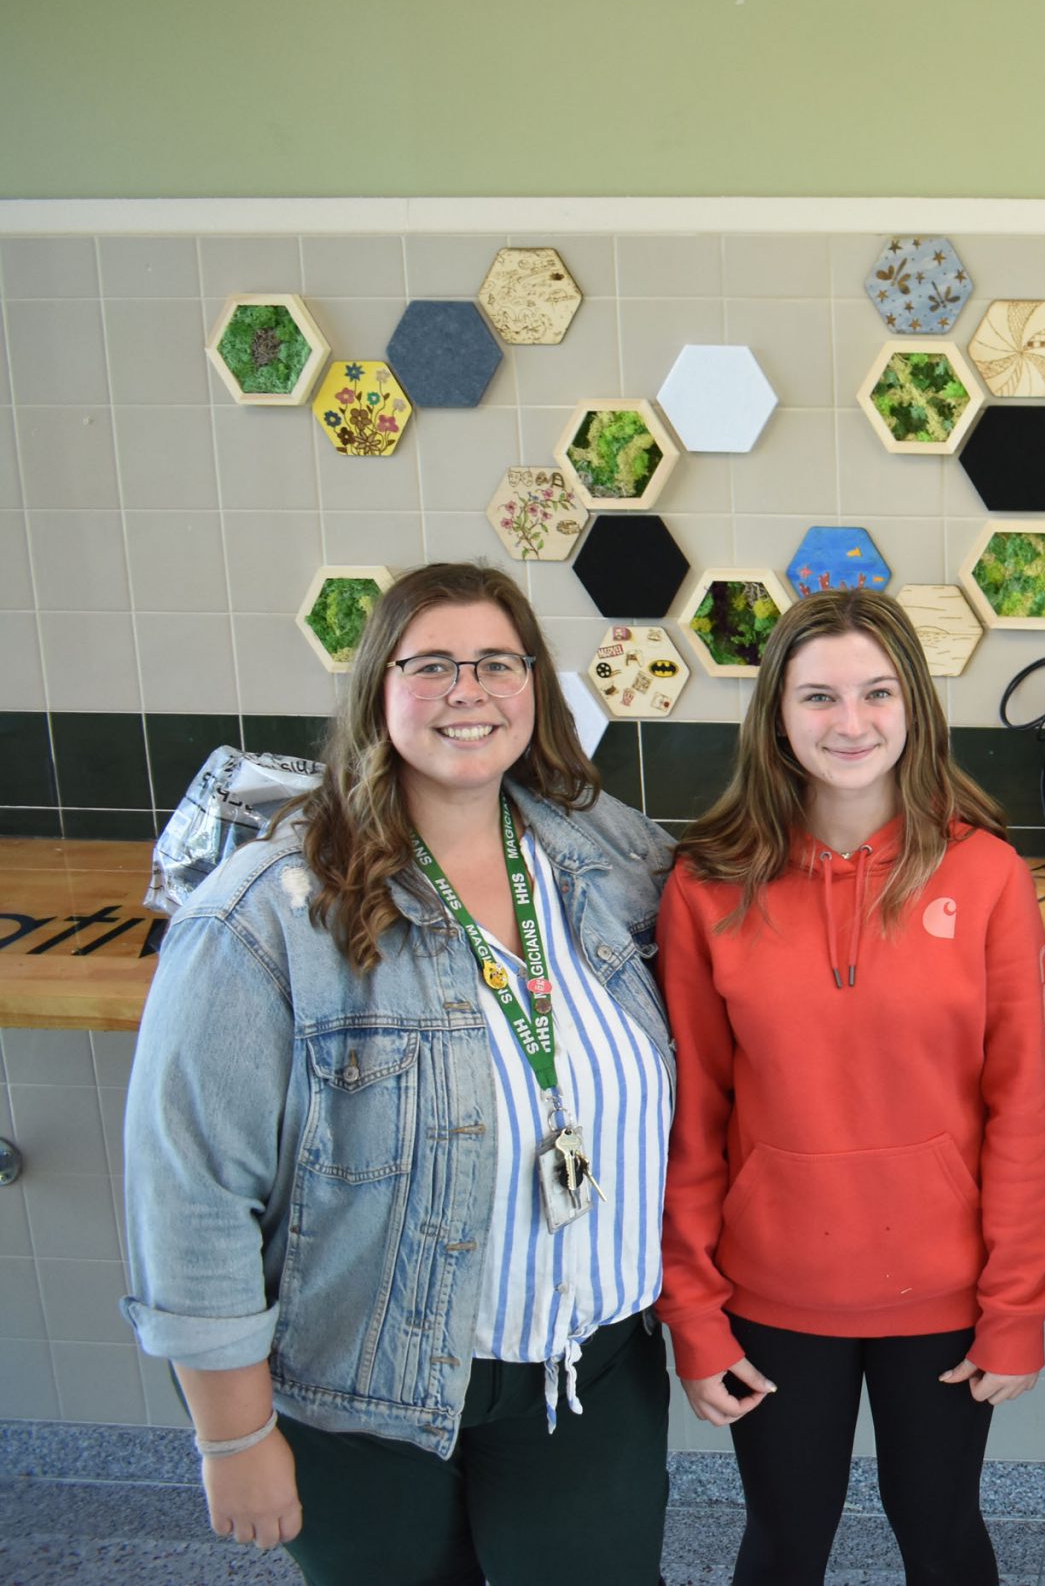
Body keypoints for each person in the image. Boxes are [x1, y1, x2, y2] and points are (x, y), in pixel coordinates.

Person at [122, 562, 678, 1584]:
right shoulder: (270, 912)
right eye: (431, 666)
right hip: (369, 1399)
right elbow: (189, 1193)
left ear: (534, 688)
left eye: (496, 663)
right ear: (378, 692)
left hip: (588, 1375)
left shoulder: (602, 854)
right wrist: (234, 1440)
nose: (468, 691)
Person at [656, 588, 1045, 1586]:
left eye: (877, 693)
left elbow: (1023, 1108)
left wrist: (1016, 1307)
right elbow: (690, 1119)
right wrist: (694, 1314)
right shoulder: (708, 883)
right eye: (819, 696)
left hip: (944, 1295)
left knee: (942, 1534)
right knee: (785, 1542)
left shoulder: (987, 876)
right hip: (773, 1294)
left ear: (915, 707)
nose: (850, 723)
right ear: (776, 717)